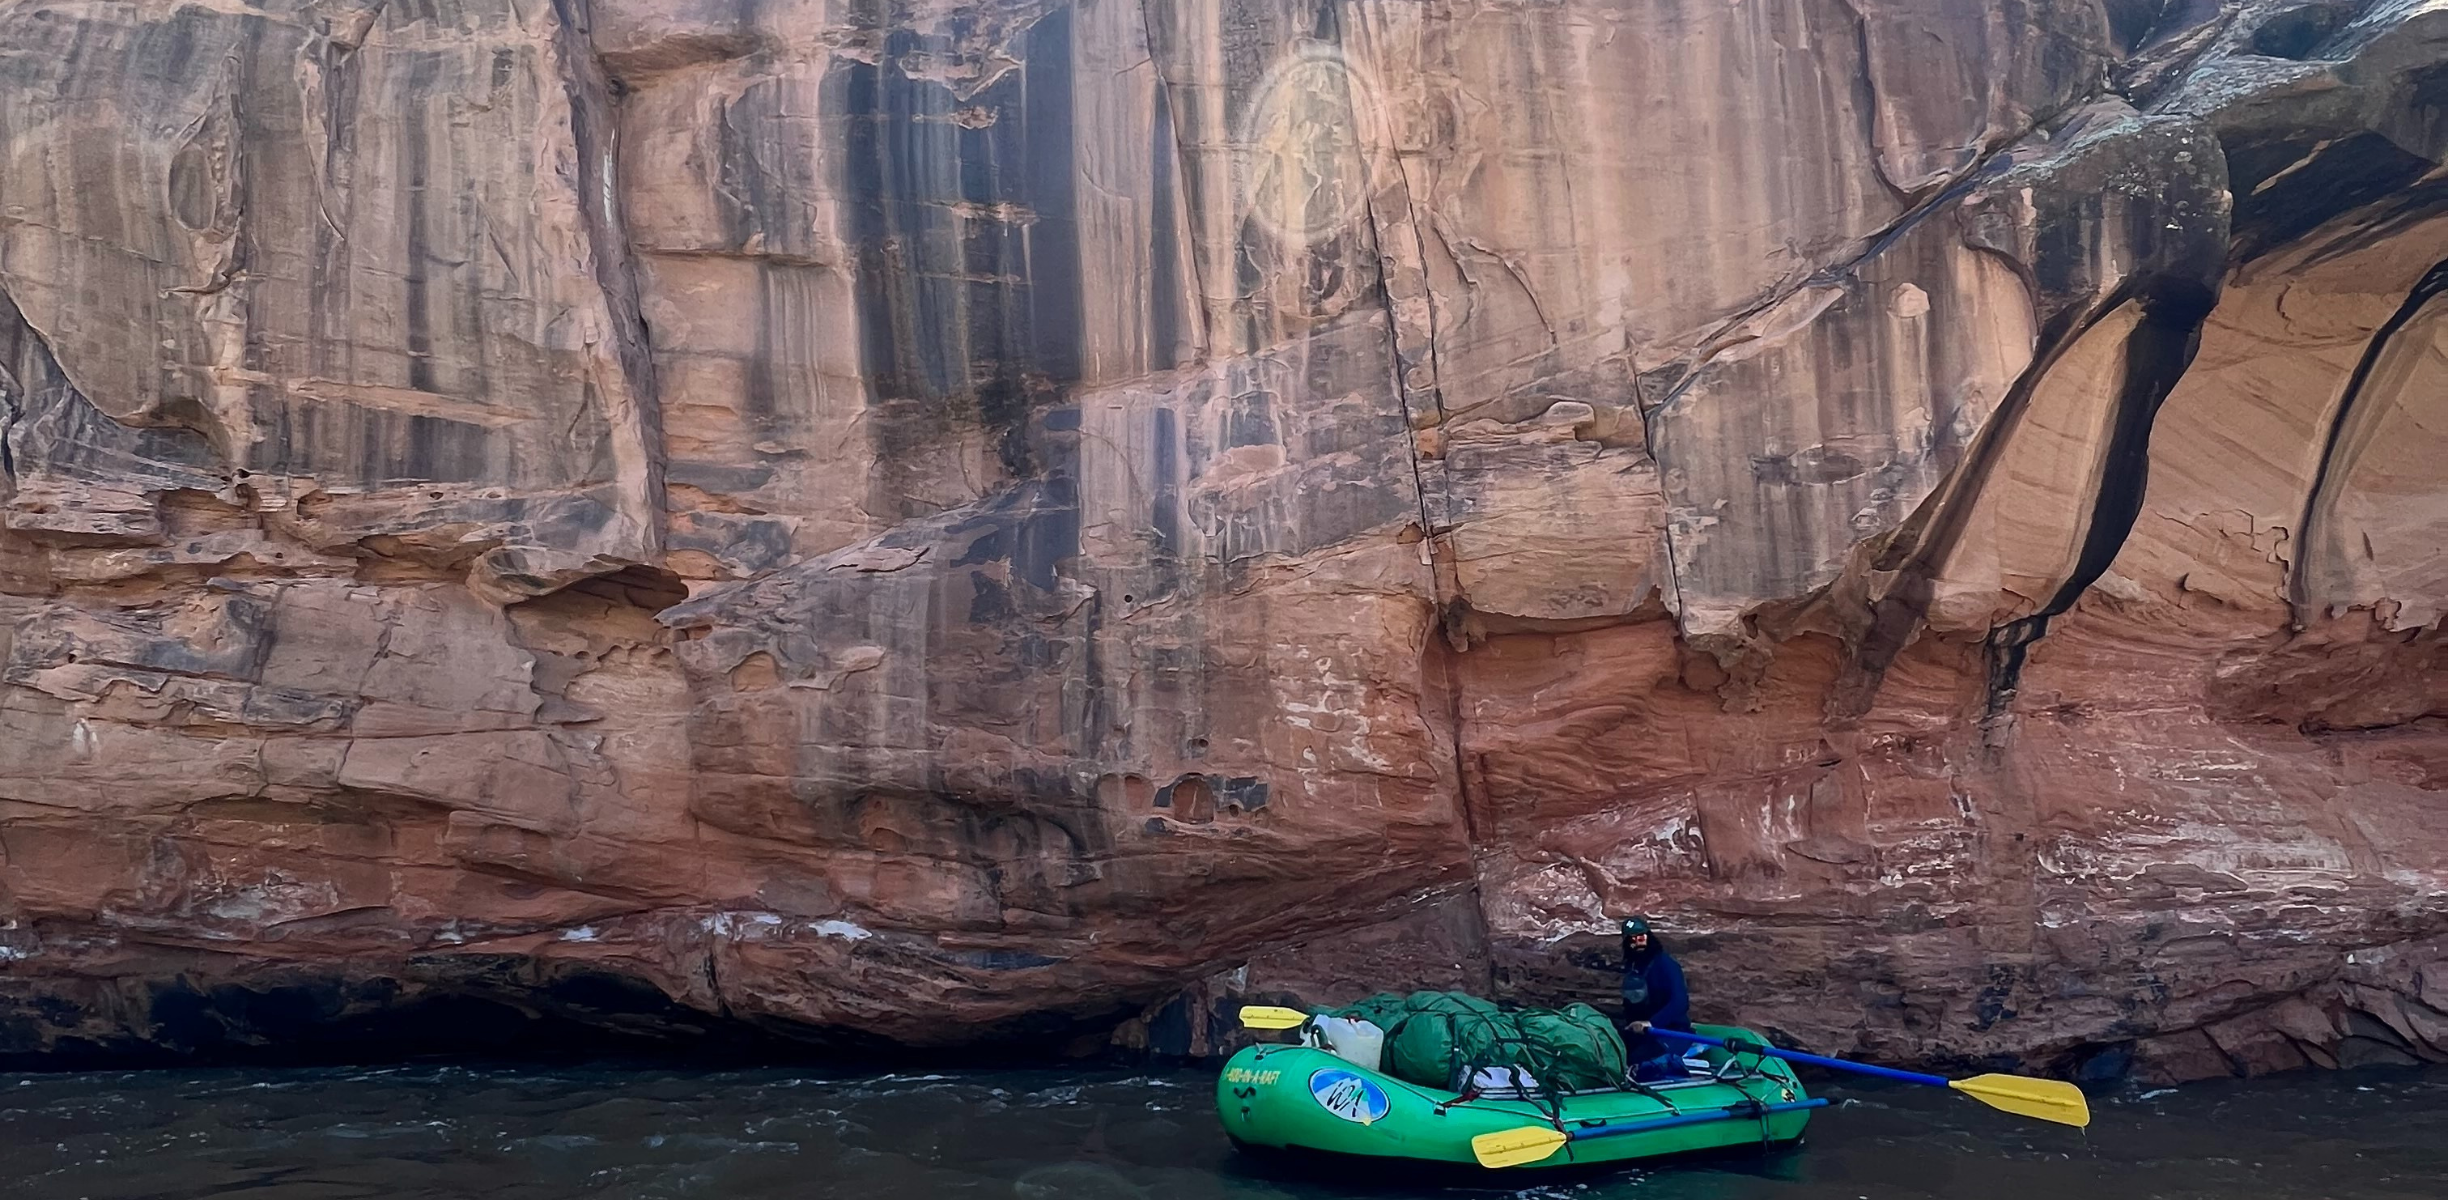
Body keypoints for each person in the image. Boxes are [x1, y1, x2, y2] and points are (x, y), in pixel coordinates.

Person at [1616, 916, 1691, 1081]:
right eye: (1633, 940)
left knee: (1635, 1058)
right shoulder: (1635, 966)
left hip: (1671, 1032)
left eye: (1641, 937)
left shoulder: (1666, 965)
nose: (1638, 943)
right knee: (1616, 1053)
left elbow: (1680, 1002)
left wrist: (1652, 1023)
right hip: (1641, 1031)